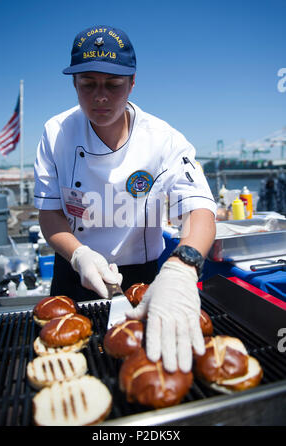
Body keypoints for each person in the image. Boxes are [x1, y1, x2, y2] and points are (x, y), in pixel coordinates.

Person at [34, 25, 217, 373]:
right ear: (74, 85)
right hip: (74, 271)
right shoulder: (56, 133)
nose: (100, 96)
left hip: (140, 278)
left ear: (132, 83)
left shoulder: (163, 140)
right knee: (73, 366)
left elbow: (199, 209)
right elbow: (50, 214)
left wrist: (183, 267)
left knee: (144, 364)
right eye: (88, 84)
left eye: (113, 85)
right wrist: (80, 255)